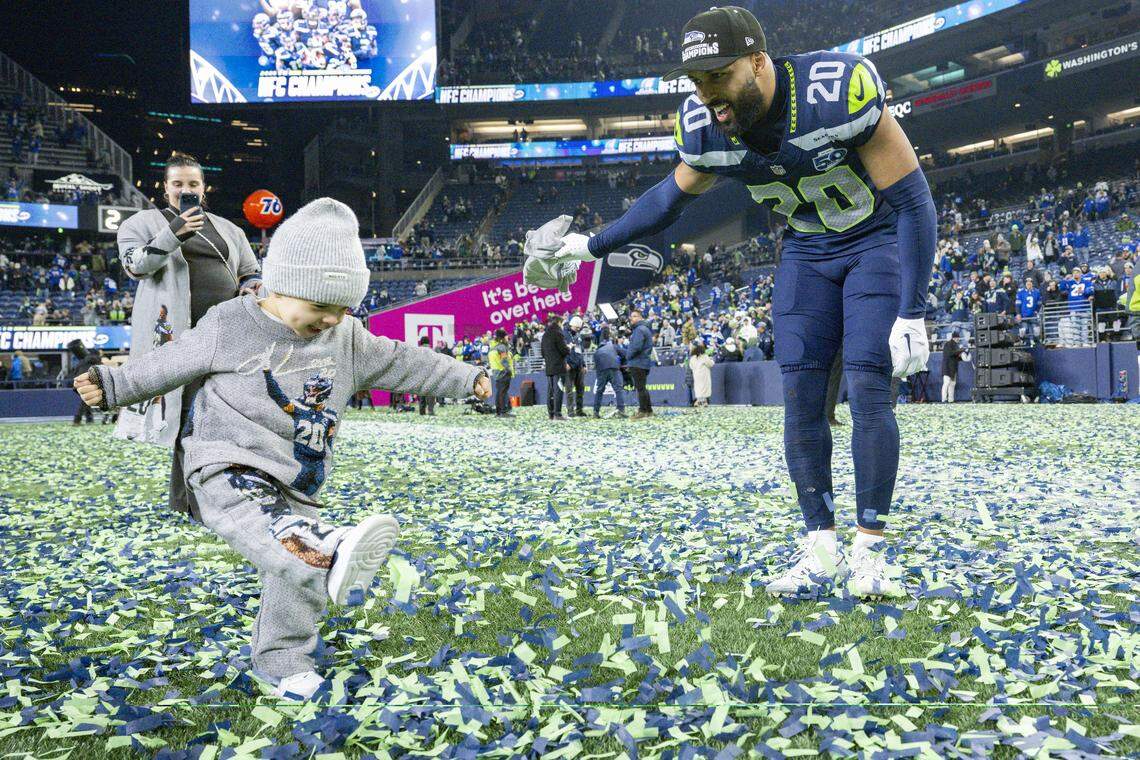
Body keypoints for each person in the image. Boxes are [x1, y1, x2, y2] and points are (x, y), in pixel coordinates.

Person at [523, 6, 934, 597]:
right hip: (807, 249)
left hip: (875, 238)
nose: (707, 92)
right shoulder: (705, 128)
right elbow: (665, 201)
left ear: (759, 62)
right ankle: (820, 550)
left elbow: (916, 201)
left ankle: (871, 552)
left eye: (718, 74)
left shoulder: (834, 92)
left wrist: (913, 309)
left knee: (868, 385)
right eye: (697, 80)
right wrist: (592, 246)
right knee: (801, 399)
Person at [74, 198, 491, 701]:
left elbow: (407, 363)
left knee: (295, 574)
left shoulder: (348, 338)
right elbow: (171, 362)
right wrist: (113, 384)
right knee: (292, 540)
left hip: (295, 477)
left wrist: (469, 378)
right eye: (320, 307)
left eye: (343, 310)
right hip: (225, 463)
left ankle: (282, 661)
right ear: (280, 286)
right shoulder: (230, 323)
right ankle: (325, 550)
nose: (332, 320)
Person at [116, 151, 262, 517]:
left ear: (204, 188)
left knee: (223, 419)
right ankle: (195, 503)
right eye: (178, 184)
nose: (185, 189)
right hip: (176, 341)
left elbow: (251, 271)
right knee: (191, 420)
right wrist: (173, 234)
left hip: (228, 337)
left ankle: (196, 501)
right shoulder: (142, 223)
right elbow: (136, 266)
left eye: (192, 184)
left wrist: (250, 287)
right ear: (165, 188)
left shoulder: (230, 229)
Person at [625, 310, 655, 419]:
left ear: (640, 318)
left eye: (634, 316)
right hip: (644, 362)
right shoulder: (645, 329)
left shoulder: (639, 329)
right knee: (642, 387)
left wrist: (627, 355)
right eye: (631, 316)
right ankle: (648, 410)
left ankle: (642, 411)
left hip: (638, 362)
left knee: (640, 388)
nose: (631, 318)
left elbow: (636, 347)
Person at [592, 329, 627, 418]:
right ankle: (621, 410)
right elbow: (624, 354)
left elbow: (595, 365)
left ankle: (596, 412)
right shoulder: (613, 346)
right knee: (618, 390)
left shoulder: (597, 351)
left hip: (601, 370)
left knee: (599, 391)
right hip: (613, 368)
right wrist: (623, 365)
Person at [540, 313, 569, 419]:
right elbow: (564, 350)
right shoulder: (558, 333)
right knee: (559, 390)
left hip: (549, 367)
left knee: (550, 390)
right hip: (558, 367)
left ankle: (551, 413)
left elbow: (542, 352)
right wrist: (569, 348)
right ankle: (558, 413)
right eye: (562, 323)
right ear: (559, 322)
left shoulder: (545, 334)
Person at [67, 339, 101, 425]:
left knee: (86, 401)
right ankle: (77, 420)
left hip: (77, 383)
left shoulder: (82, 362)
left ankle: (89, 419)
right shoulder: (97, 361)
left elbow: (74, 372)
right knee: (85, 402)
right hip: (86, 383)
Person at [489, 328, 514, 417]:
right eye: (506, 336)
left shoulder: (493, 348)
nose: (508, 338)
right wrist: (509, 369)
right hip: (503, 372)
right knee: (503, 392)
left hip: (496, 373)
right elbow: (504, 360)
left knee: (499, 392)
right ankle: (503, 412)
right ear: (503, 337)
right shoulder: (502, 347)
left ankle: (498, 412)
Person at [941, 331, 967, 403]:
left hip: (953, 367)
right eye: (957, 338)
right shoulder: (948, 344)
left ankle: (951, 399)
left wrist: (963, 357)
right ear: (954, 338)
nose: (958, 339)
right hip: (948, 367)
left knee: (952, 384)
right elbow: (950, 353)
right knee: (946, 383)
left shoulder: (956, 345)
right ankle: (944, 399)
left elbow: (955, 356)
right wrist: (960, 350)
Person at [416, 336, 437, 416]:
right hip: (431, 374)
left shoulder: (417, 350)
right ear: (428, 342)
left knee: (421, 393)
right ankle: (430, 411)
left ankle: (422, 411)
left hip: (420, 374)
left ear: (421, 342)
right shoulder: (432, 351)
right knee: (431, 394)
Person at [689, 342, 715, 406]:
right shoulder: (704, 356)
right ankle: (704, 401)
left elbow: (691, 366)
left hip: (696, 375)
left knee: (698, 387)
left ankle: (699, 400)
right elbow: (710, 364)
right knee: (705, 387)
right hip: (704, 375)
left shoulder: (692, 358)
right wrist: (712, 360)